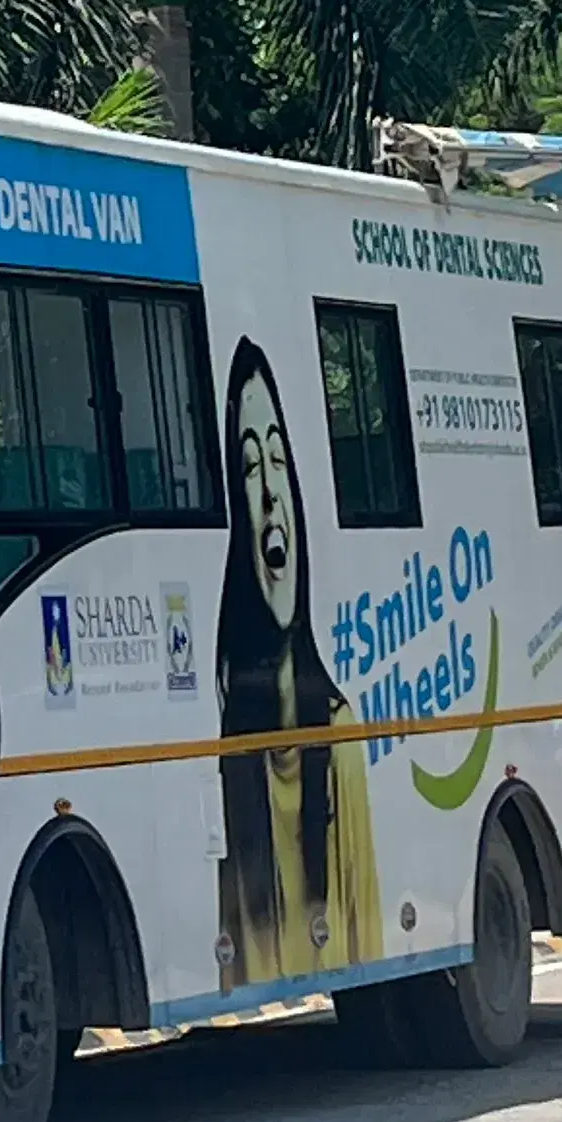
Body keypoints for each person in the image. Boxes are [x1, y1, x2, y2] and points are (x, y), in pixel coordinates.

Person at [215, 336, 382, 985]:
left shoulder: (338, 736)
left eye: (278, 462)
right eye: (249, 467)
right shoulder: (229, 760)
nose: (268, 495)